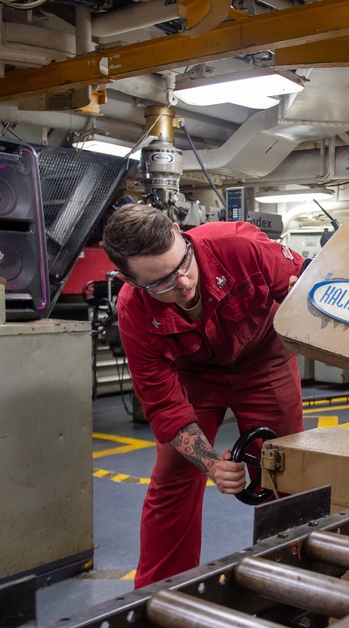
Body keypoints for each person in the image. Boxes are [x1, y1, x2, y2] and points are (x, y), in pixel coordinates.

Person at [102, 203, 304, 589]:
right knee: (174, 477)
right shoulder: (134, 311)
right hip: (196, 373)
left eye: (183, 265)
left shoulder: (238, 245)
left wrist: (308, 296)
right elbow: (163, 405)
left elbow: (308, 280)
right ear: (127, 279)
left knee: (285, 469)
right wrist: (211, 464)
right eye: (160, 283)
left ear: (180, 233)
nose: (183, 284)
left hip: (266, 360)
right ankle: (161, 592)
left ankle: (290, 580)